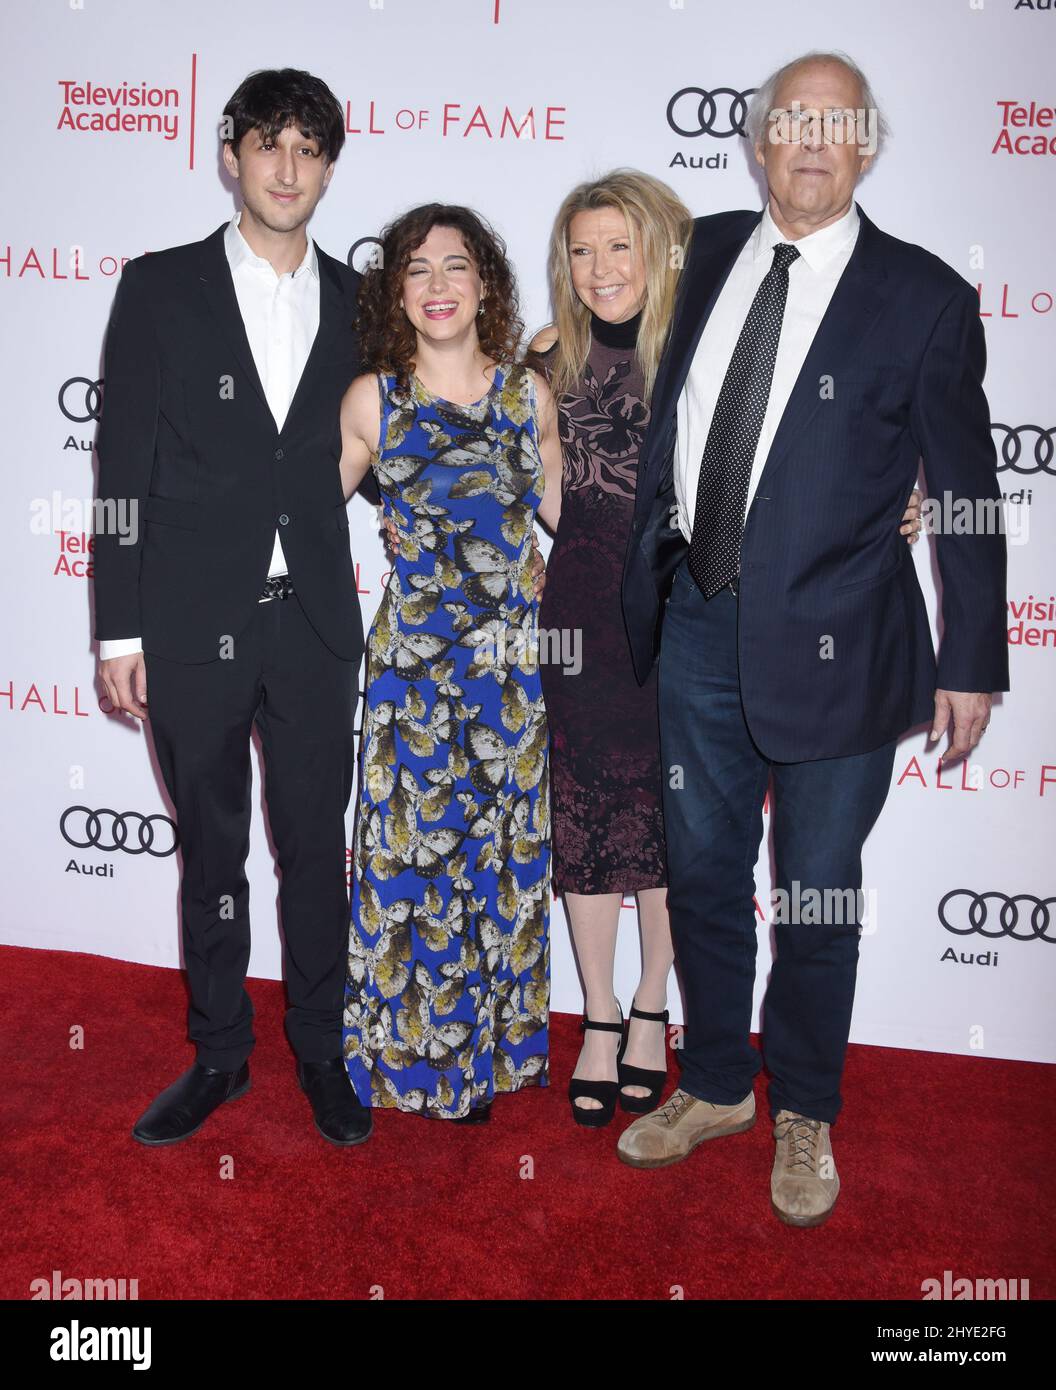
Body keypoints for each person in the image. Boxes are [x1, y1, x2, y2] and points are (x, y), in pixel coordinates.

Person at [617, 51, 1008, 1226]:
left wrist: (976, 657)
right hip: (696, 620)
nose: (812, 143)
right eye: (793, 121)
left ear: (868, 148)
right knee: (701, 875)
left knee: (821, 891)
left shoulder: (924, 296)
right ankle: (722, 1084)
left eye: (838, 125)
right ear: (759, 139)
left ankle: (806, 1112)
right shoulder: (709, 248)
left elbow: (971, 487)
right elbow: (614, 335)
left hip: (844, 641)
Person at [527, 171, 923, 1129]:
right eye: (581, 250)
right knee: (589, 818)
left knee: (681, 834)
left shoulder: (701, 338)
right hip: (582, 612)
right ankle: (603, 1017)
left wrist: (894, 507)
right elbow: (528, 482)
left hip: (681, 606)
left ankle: (660, 1005)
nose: (600, 268)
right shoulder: (545, 354)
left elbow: (818, 436)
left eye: (621, 245)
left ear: (666, 251)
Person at [94, 69, 378, 1148]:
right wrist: (119, 629)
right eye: (269, 144)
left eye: (310, 148)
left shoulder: (363, 302)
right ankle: (219, 1052)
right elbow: (122, 465)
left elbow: (396, 454)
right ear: (231, 156)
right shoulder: (161, 287)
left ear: (331, 169)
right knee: (212, 848)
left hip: (310, 620)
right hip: (185, 620)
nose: (288, 166)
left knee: (316, 845)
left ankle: (321, 1050)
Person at [337, 205, 563, 1121]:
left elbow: (576, 524)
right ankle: (406, 1066)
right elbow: (298, 515)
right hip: (410, 679)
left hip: (510, 672)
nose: (438, 285)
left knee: (502, 862)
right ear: (398, 293)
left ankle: (492, 1060)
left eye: (456, 267)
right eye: (418, 270)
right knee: (407, 868)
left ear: (486, 286)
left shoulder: (527, 397)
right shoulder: (373, 399)